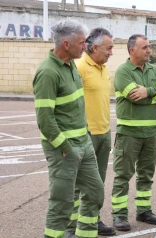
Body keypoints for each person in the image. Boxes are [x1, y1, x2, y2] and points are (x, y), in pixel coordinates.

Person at [33, 19, 104, 238]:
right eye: (82, 43)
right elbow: (45, 119)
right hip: (65, 149)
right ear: (66, 44)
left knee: (95, 193)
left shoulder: (71, 64)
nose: (86, 47)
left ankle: (86, 234)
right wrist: (65, 147)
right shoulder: (47, 72)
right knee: (62, 203)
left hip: (84, 143)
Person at [111, 34, 156, 231]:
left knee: (146, 174)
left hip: (152, 133)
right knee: (123, 175)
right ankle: (119, 215)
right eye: (144, 47)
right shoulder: (123, 71)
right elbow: (134, 96)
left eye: (149, 46)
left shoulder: (154, 70)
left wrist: (149, 92)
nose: (149, 50)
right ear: (132, 50)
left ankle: (143, 211)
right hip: (129, 134)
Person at [65, 28, 115, 236]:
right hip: (85, 135)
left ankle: (92, 219)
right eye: (109, 48)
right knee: (77, 185)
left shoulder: (103, 68)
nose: (111, 52)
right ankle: (70, 226)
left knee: (97, 183)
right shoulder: (79, 67)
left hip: (104, 133)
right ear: (94, 47)